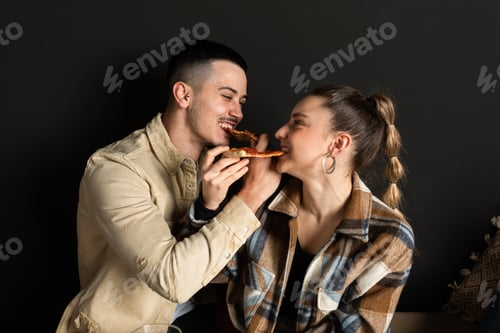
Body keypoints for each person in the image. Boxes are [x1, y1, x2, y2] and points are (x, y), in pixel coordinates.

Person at [56, 40, 281, 333]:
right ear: (183, 94)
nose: (237, 112)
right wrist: (250, 197)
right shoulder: (117, 168)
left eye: (242, 102)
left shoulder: (223, 164)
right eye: (227, 96)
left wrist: (208, 207)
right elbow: (172, 280)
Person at [225, 84, 415, 332]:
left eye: (297, 123)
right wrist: (219, 202)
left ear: (337, 144)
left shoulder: (390, 237)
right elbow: (213, 273)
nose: (280, 132)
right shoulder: (262, 201)